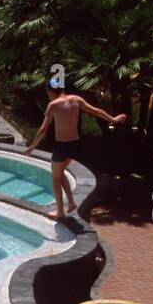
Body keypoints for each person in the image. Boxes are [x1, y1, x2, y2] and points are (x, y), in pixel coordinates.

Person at [24, 79, 127, 220]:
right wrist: (114, 119)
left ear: (50, 91)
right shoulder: (76, 99)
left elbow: (43, 130)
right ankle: (71, 202)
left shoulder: (53, 105)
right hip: (75, 144)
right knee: (60, 174)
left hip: (61, 146)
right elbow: (96, 111)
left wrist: (31, 147)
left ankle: (60, 211)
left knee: (55, 178)